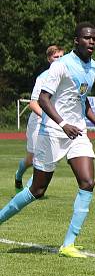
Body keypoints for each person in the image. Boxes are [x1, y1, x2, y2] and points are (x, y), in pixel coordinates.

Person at [0, 23, 95, 258]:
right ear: (76, 41)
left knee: (88, 182)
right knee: (37, 189)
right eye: (86, 38)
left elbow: (83, 100)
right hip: (52, 131)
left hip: (77, 132)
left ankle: (68, 244)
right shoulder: (61, 66)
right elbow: (43, 99)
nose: (91, 42)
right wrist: (62, 124)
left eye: (94, 39)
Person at [14, 45, 65, 192]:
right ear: (49, 59)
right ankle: (18, 176)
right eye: (56, 57)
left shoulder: (66, 77)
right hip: (38, 121)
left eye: (62, 57)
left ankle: (32, 189)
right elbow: (33, 103)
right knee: (31, 160)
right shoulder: (43, 77)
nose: (59, 60)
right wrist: (46, 116)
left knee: (46, 157)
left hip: (54, 122)